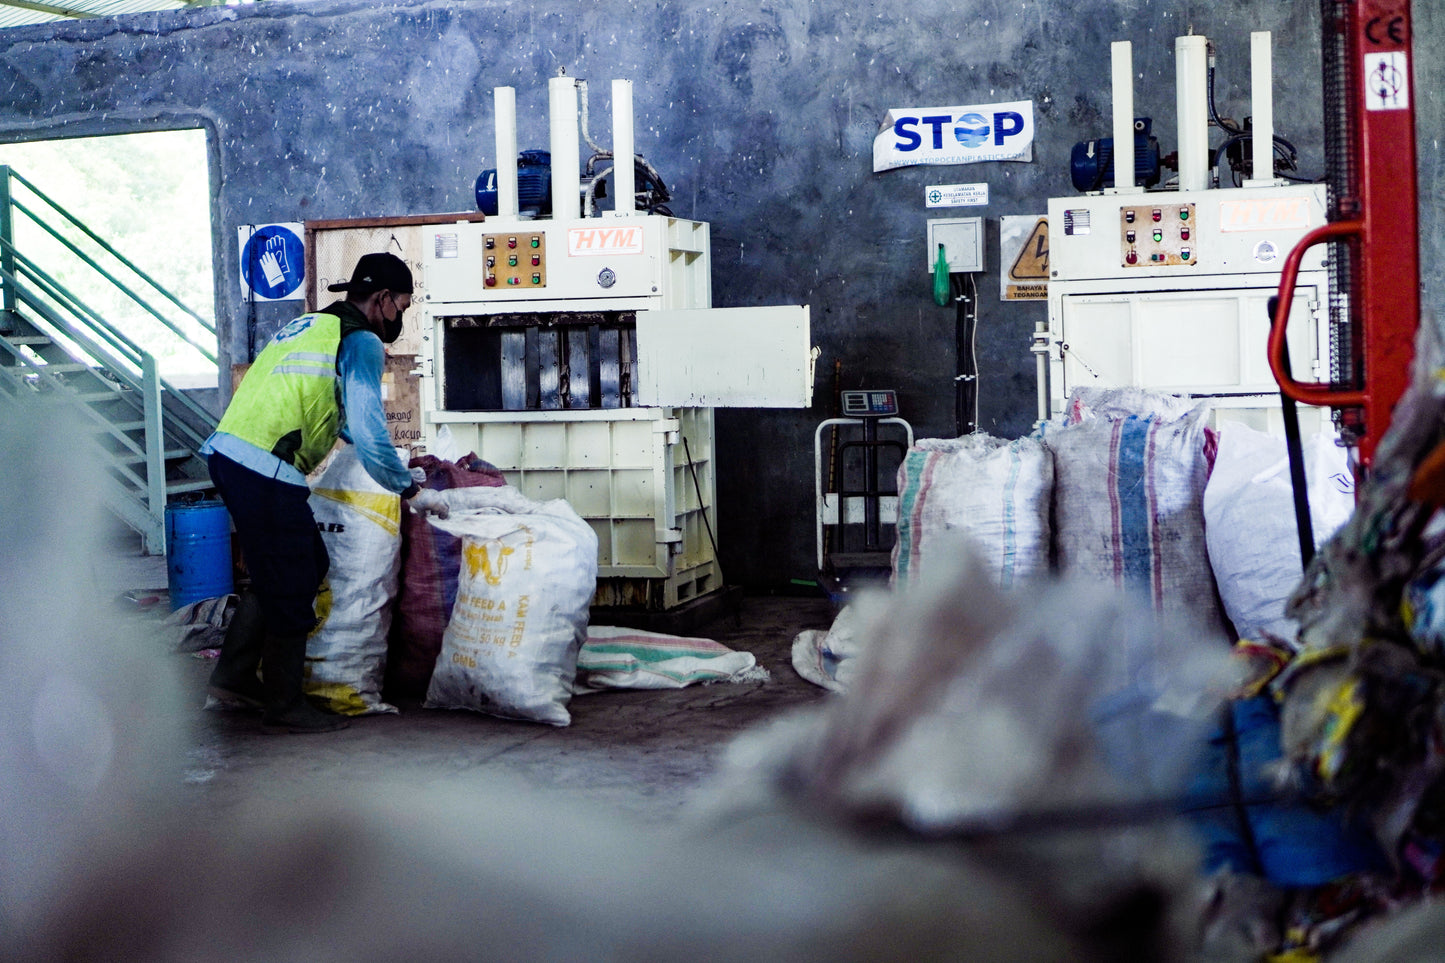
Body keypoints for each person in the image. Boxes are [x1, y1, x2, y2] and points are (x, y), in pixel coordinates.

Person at [201, 252, 448, 734]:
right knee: (295, 579)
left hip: (231, 455)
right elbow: (368, 424)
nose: (400, 315)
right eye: (402, 304)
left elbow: (336, 414)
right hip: (265, 466)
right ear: (383, 301)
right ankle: (285, 704)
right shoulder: (361, 340)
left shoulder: (310, 326)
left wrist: (392, 464)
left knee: (293, 566)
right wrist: (405, 490)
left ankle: (232, 677)